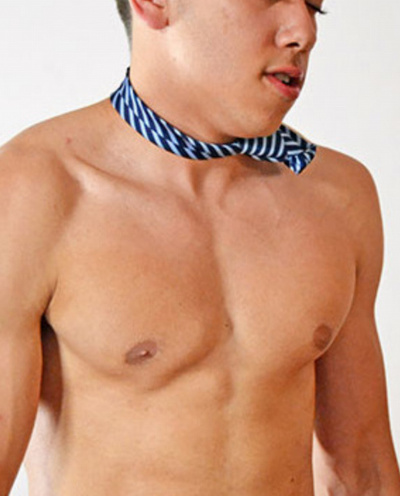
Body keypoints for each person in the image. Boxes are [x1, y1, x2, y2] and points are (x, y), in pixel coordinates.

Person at [1, 0, 400, 494]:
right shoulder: (33, 192)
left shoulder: (338, 196)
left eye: (314, 6)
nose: (304, 31)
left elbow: (364, 472)